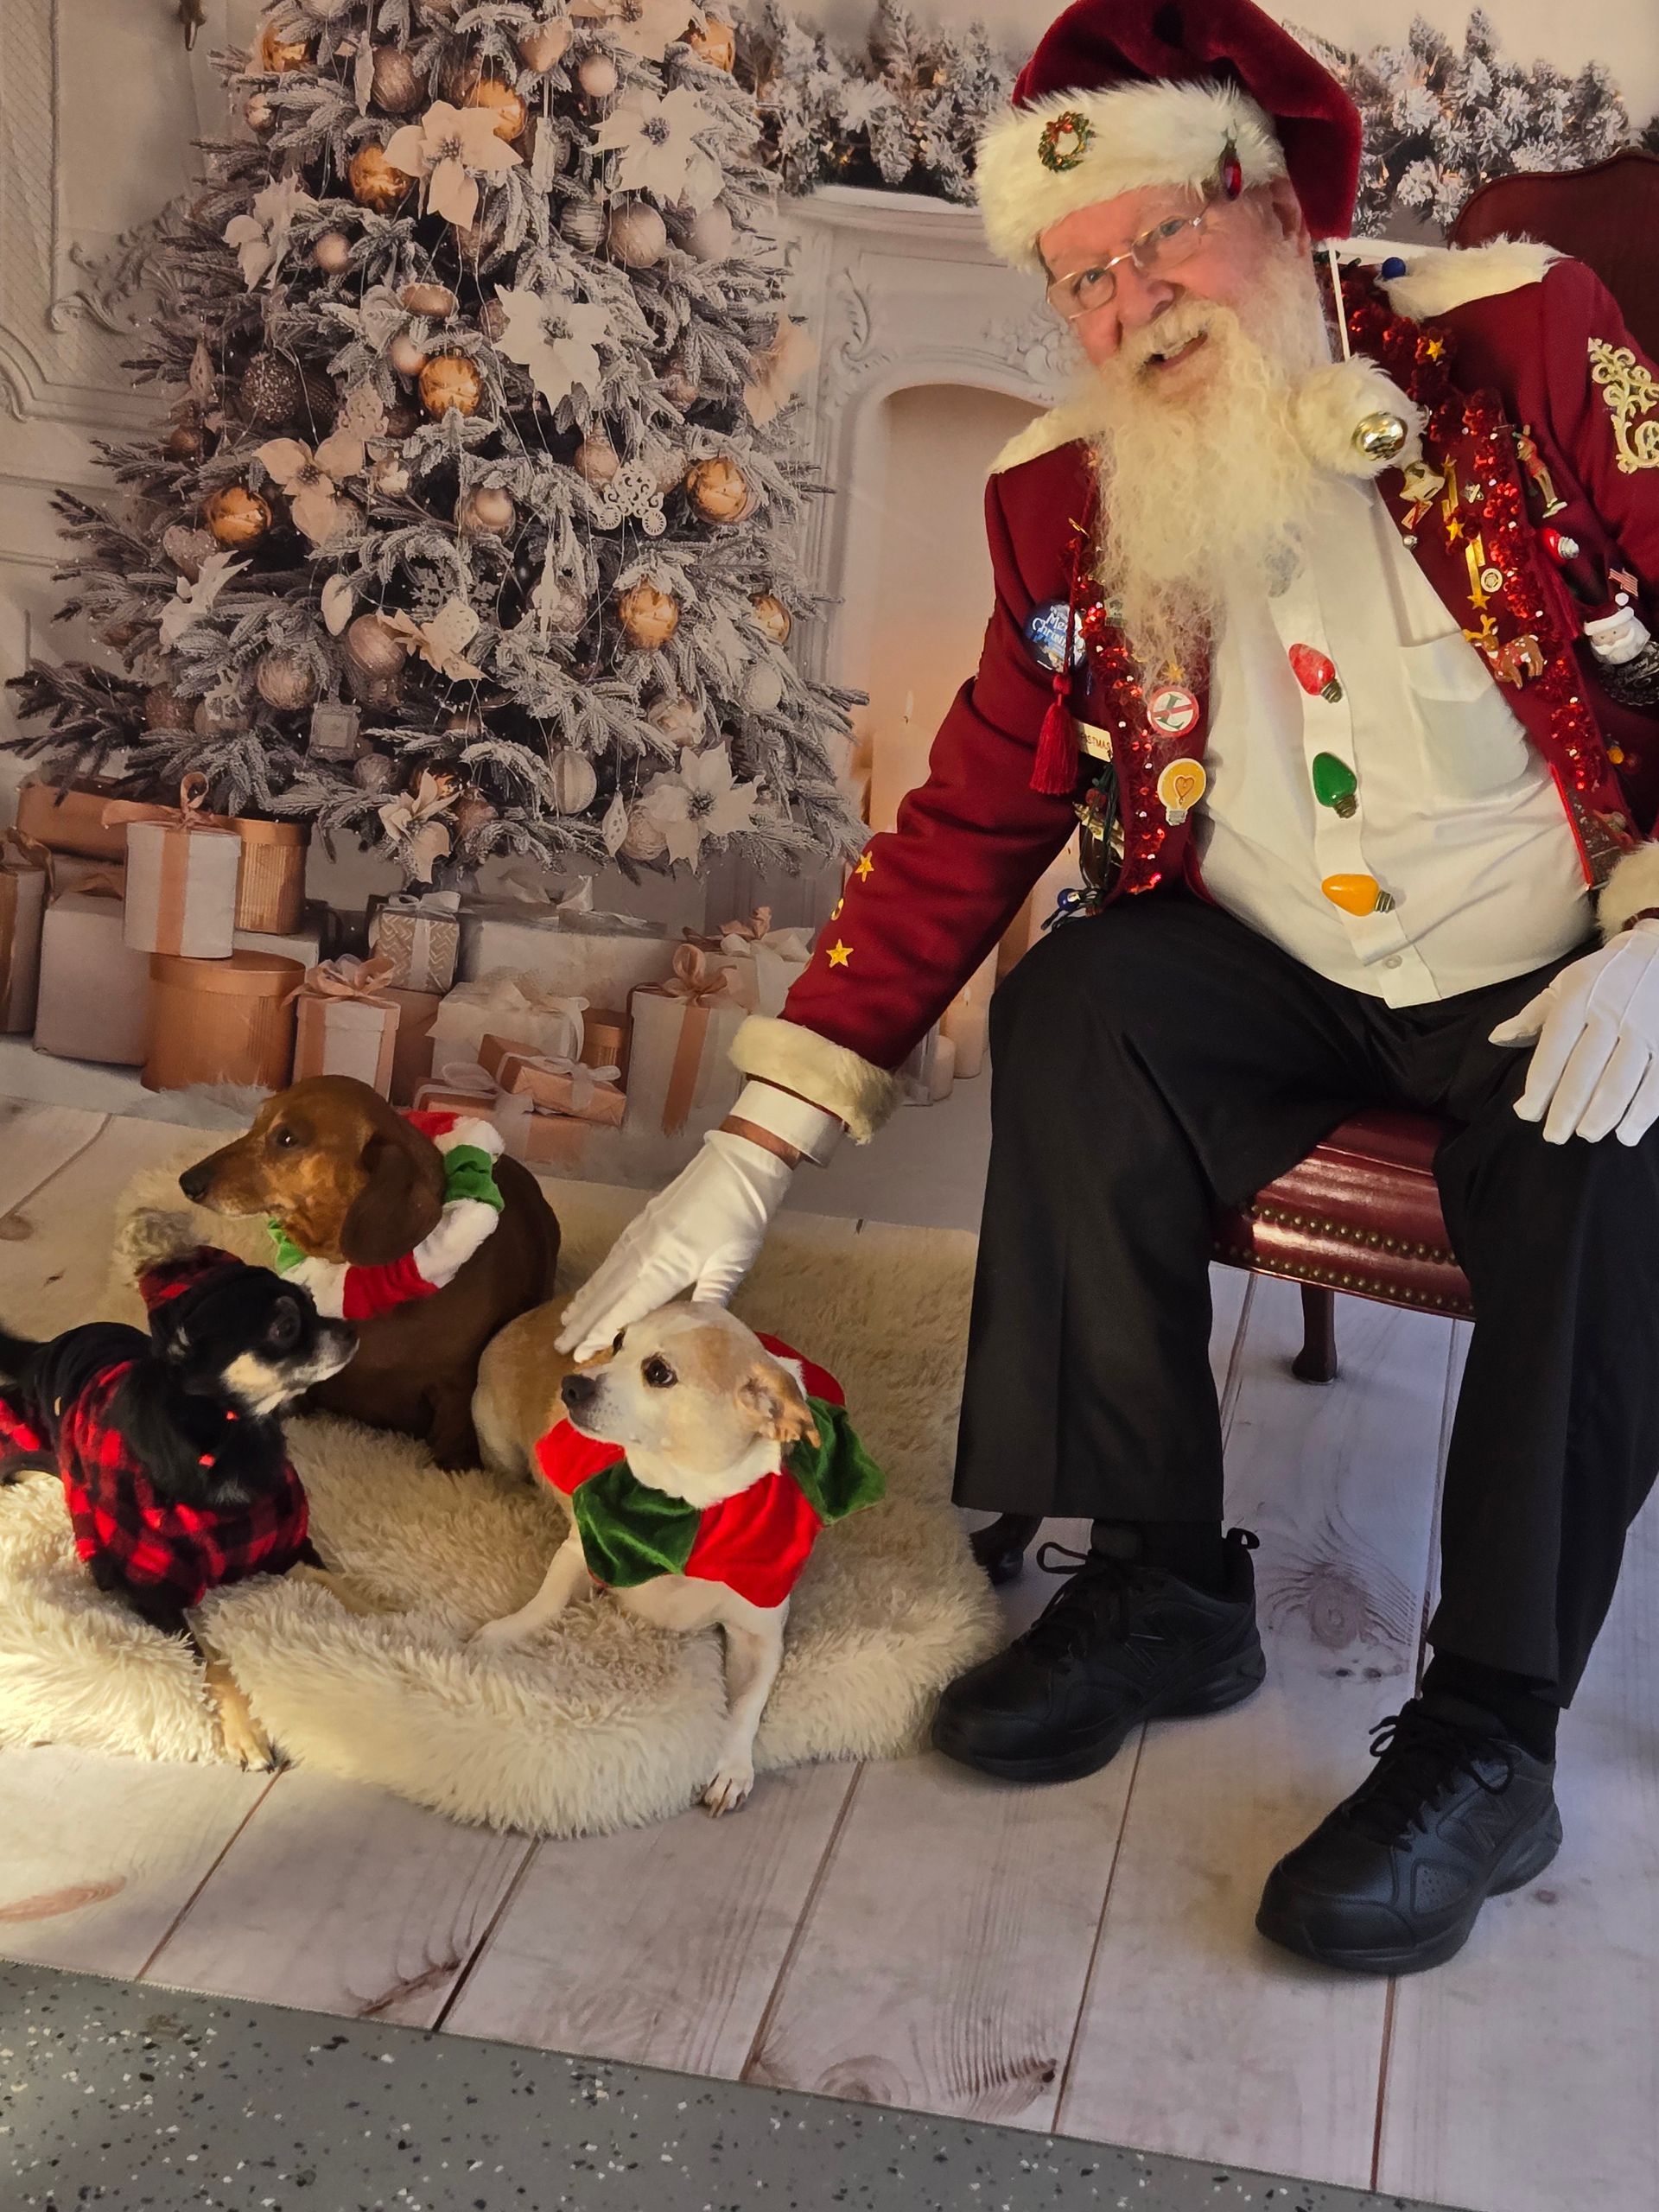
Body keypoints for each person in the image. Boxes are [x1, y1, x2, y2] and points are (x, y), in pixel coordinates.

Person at [558, 0, 1659, 1977]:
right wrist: (750, 1152)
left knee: (1609, 1153)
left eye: (1159, 238)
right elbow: (972, 819)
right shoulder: (1060, 493)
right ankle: (1163, 1576)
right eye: (1081, 278)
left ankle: (1494, 1730)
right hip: (1275, 968)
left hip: (1556, 961)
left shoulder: (1522, 330)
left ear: (1265, 195)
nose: (1134, 300)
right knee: (1084, 1007)